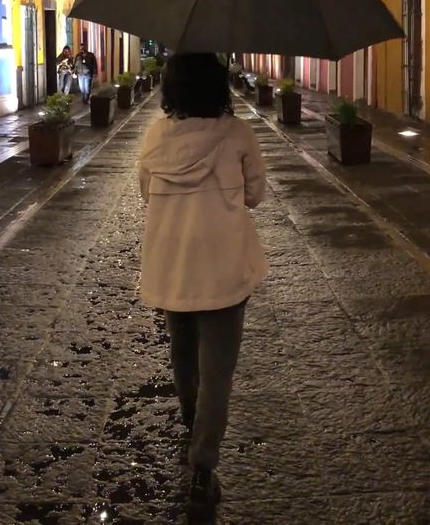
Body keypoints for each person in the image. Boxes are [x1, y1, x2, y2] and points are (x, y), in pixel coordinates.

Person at [138, 53, 267, 521]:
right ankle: (203, 465)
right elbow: (255, 194)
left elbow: (146, 191)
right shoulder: (237, 134)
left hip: (173, 264)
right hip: (225, 268)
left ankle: (191, 420)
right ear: (219, 86)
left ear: (171, 89)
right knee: (219, 371)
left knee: (182, 353)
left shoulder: (155, 135)